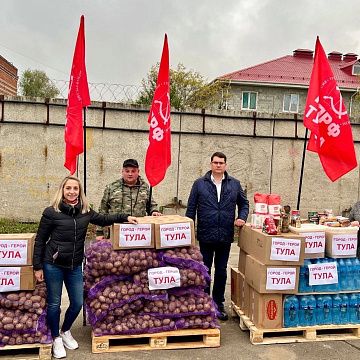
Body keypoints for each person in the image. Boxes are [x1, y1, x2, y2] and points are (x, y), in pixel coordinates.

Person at [33, 176, 137, 359]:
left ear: (80, 191)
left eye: (75, 188)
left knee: (77, 303)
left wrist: (124, 216)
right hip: (53, 265)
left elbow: (104, 219)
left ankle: (65, 330)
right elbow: (40, 240)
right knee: (54, 304)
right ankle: (55, 337)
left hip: (74, 265)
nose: (72, 192)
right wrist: (37, 266)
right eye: (68, 188)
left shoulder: (85, 211)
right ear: (62, 190)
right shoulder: (51, 212)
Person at [185, 151, 249, 321]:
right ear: (211, 164)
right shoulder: (200, 184)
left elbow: (244, 203)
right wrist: (187, 232)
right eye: (215, 162)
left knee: (221, 271)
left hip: (225, 236)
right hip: (206, 234)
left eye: (221, 163)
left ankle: (218, 303)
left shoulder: (234, 184)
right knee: (204, 269)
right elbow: (191, 209)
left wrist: (242, 217)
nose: (218, 165)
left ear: (225, 165)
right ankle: (205, 303)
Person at [97, 158, 161, 238]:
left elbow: (151, 205)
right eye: (127, 171)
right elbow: (103, 210)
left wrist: (154, 211)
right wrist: (99, 232)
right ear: (122, 172)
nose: (130, 174)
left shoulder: (145, 187)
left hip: (139, 233)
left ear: (138, 172)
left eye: (133, 171)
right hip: (116, 232)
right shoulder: (112, 187)